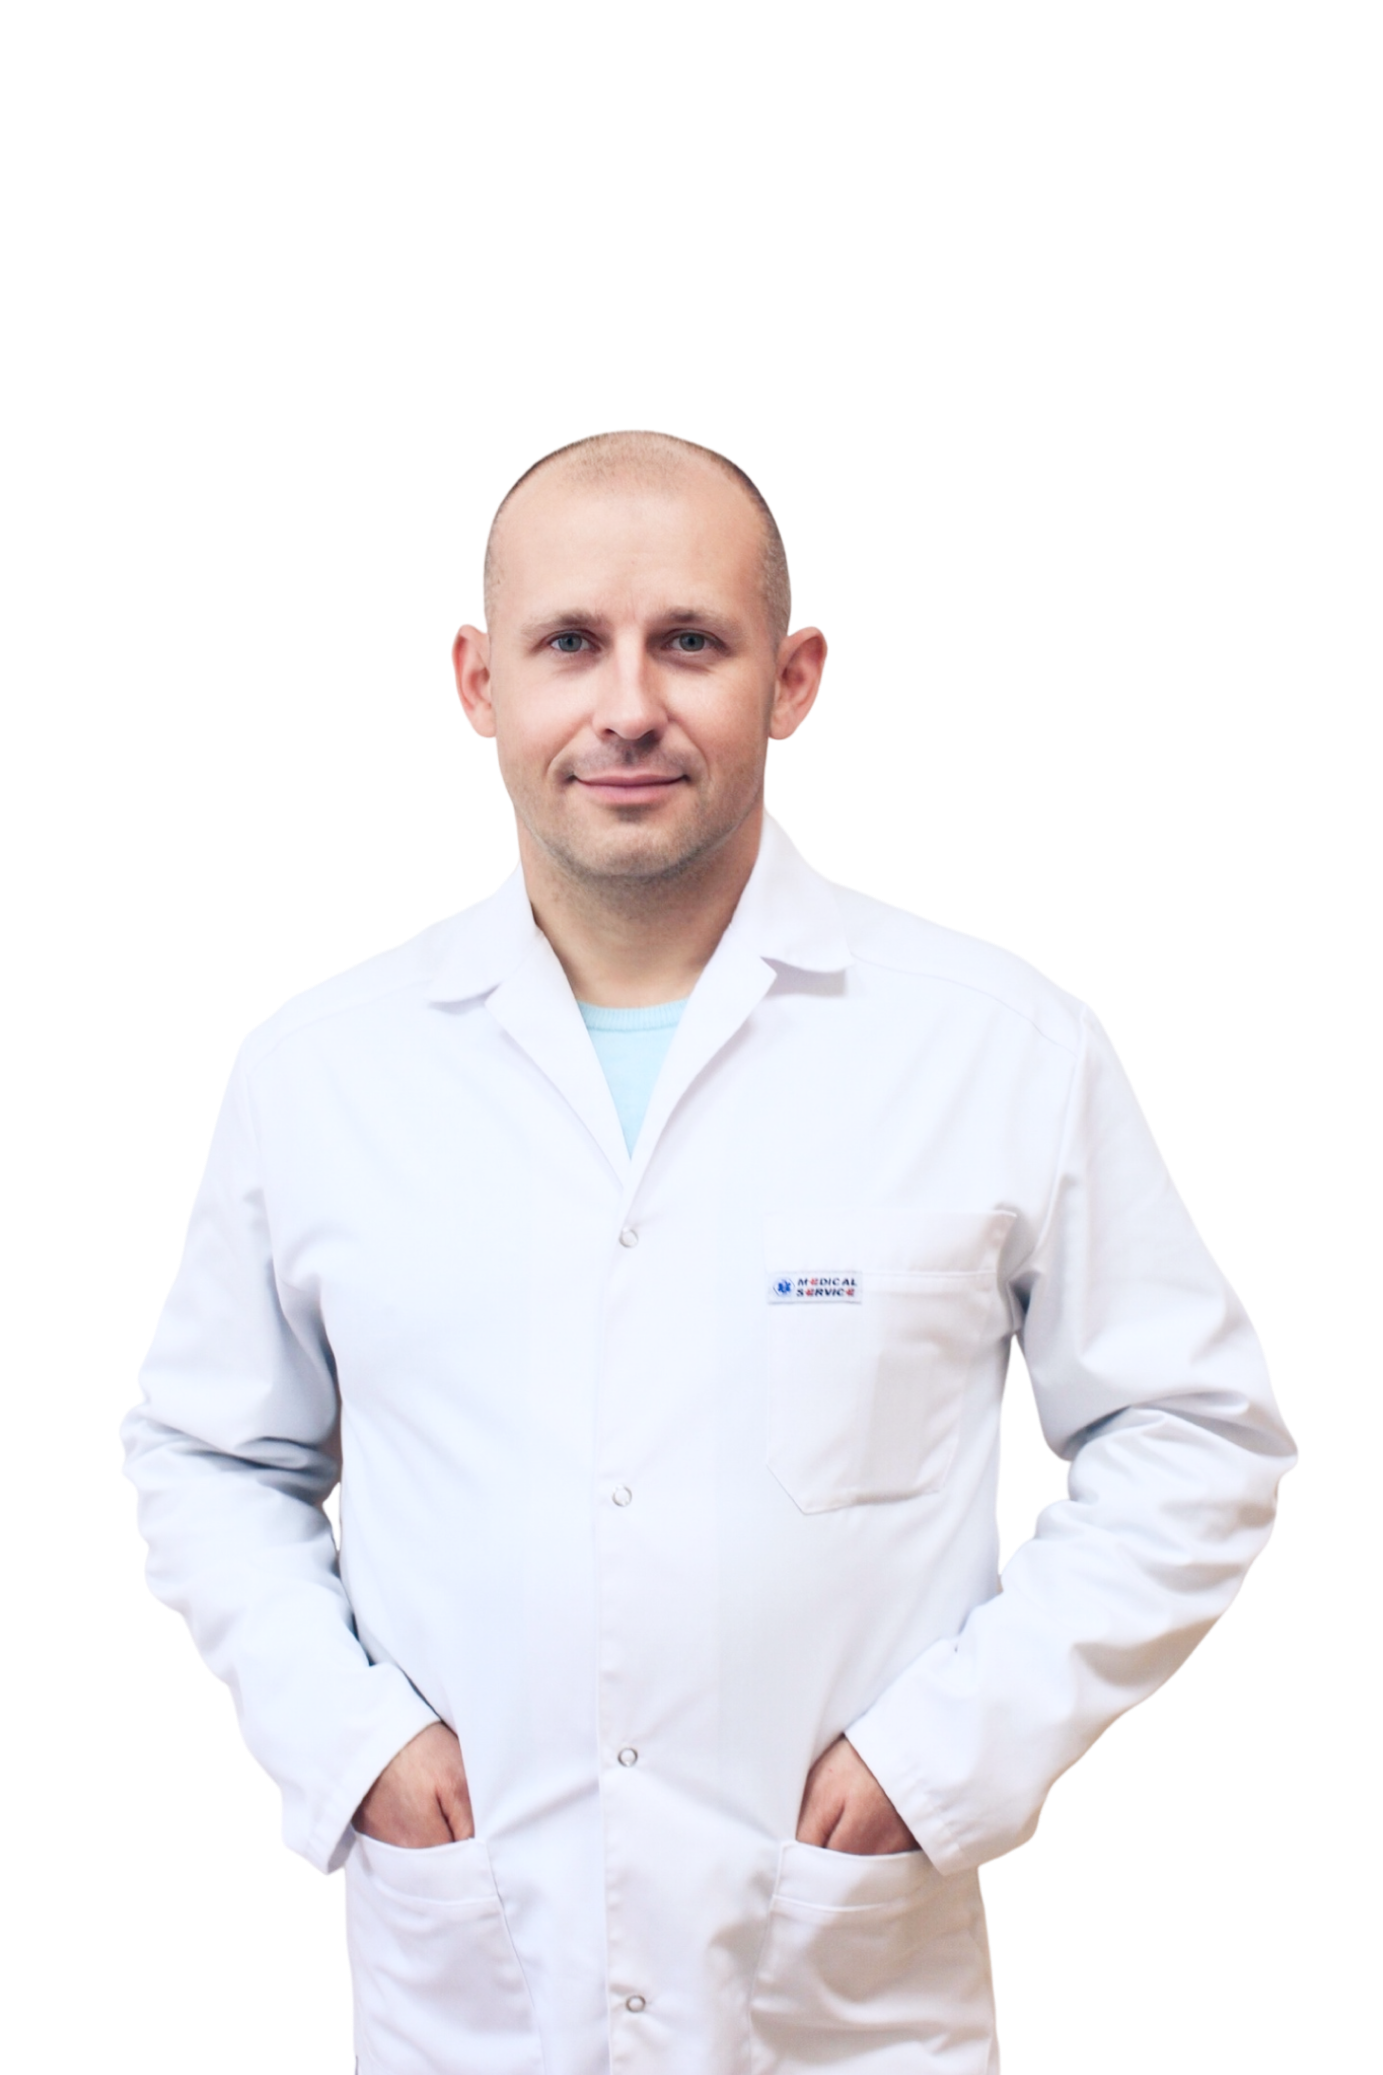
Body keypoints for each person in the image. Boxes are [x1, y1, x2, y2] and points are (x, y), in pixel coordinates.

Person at [119, 428, 1298, 2074]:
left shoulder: (997, 1043)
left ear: (791, 678)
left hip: (839, 1981)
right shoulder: (321, 1068)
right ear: (476, 683)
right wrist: (345, 1738)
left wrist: (944, 1760)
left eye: (688, 640)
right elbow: (205, 1452)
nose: (626, 706)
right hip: (473, 1978)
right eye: (567, 643)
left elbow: (1193, 1435)